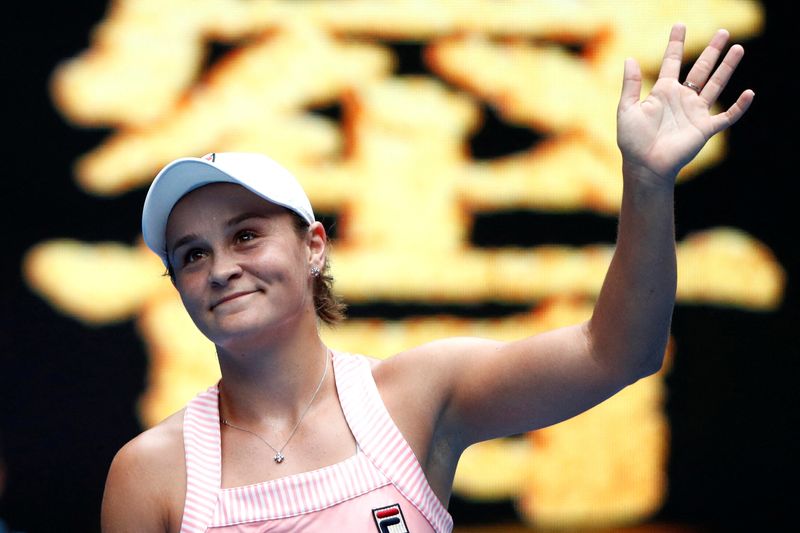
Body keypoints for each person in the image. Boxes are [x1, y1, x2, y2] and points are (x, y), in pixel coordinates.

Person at [100, 23, 753, 532]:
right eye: (192, 255)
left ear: (313, 247)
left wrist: (647, 182)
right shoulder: (149, 472)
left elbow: (616, 352)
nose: (221, 269)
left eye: (246, 235)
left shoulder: (415, 395)